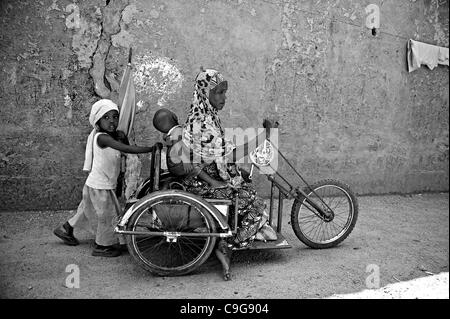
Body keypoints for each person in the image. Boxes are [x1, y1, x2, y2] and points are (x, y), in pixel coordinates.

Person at [180, 68, 276, 249]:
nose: (223, 98)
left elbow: (219, 151)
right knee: (256, 202)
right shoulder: (202, 123)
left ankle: (237, 228)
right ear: (204, 93)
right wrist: (264, 136)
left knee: (246, 184)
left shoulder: (207, 115)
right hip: (201, 183)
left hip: (205, 175)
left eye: (225, 92)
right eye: (219, 92)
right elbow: (230, 154)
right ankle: (233, 242)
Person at [53, 99, 153, 257]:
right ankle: (102, 246)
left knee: (87, 210)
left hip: (96, 184)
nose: (112, 121)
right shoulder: (102, 138)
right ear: (98, 120)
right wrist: (150, 148)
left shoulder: (111, 136)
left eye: (115, 116)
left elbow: (118, 156)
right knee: (107, 216)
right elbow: (125, 149)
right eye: (106, 117)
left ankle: (66, 228)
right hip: (100, 187)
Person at [152, 108, 228, 189]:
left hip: (176, 162)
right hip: (179, 164)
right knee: (195, 166)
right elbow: (177, 147)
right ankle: (213, 182)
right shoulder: (177, 131)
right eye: (172, 114)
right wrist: (185, 161)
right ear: (173, 117)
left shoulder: (171, 133)